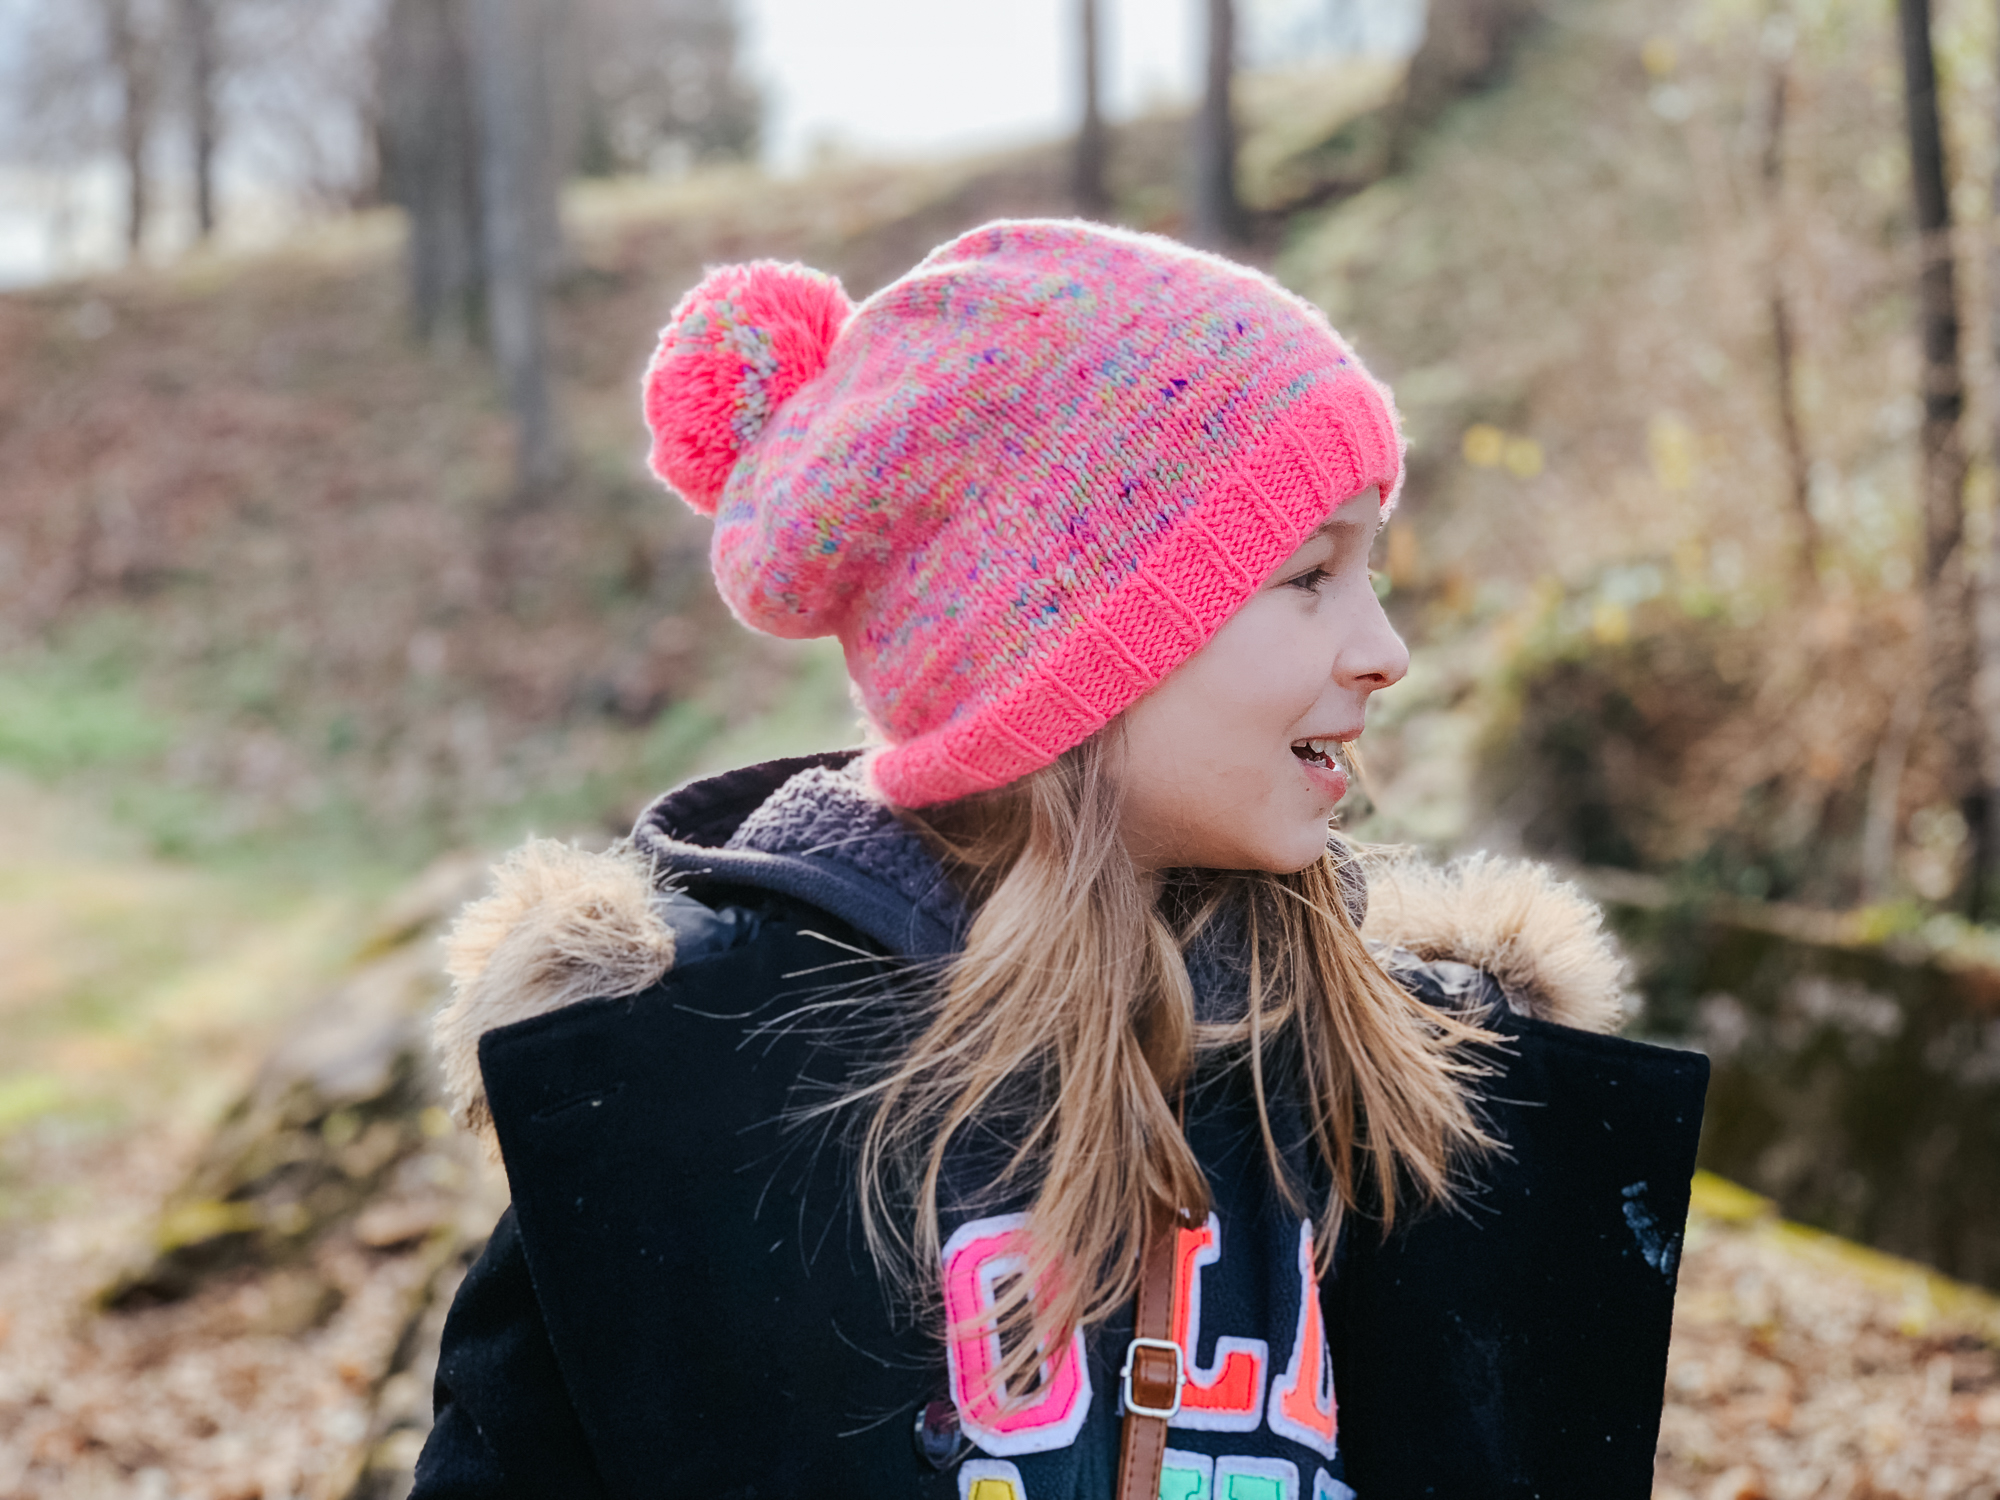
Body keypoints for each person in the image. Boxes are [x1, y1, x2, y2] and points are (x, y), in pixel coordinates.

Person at [412, 220, 1708, 1500]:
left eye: (1368, 569)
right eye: (1310, 573)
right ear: (1075, 658)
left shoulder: (1415, 1098)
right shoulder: (681, 1107)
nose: (1386, 648)